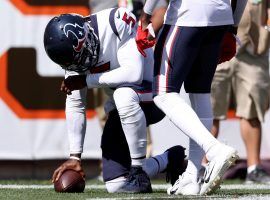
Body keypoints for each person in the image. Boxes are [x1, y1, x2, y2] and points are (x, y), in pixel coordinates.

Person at [43, 7, 186, 193]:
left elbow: (133, 73)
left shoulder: (115, 21)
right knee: (116, 184)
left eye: (83, 55)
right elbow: (76, 105)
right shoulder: (73, 54)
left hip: (155, 92)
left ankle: (138, 172)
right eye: (76, 62)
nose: (82, 63)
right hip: (122, 108)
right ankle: (169, 159)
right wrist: (75, 157)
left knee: (123, 94)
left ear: (86, 35)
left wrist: (85, 80)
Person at [136, 0, 248, 195]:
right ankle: (192, 176)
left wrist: (145, 15)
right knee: (200, 92)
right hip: (221, 18)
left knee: (163, 94)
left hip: (188, 15)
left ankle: (214, 149)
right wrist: (233, 26)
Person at [210, 0, 270, 184]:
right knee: (209, 110)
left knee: (251, 110)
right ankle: (203, 166)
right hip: (216, 46)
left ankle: (254, 168)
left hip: (252, 50)